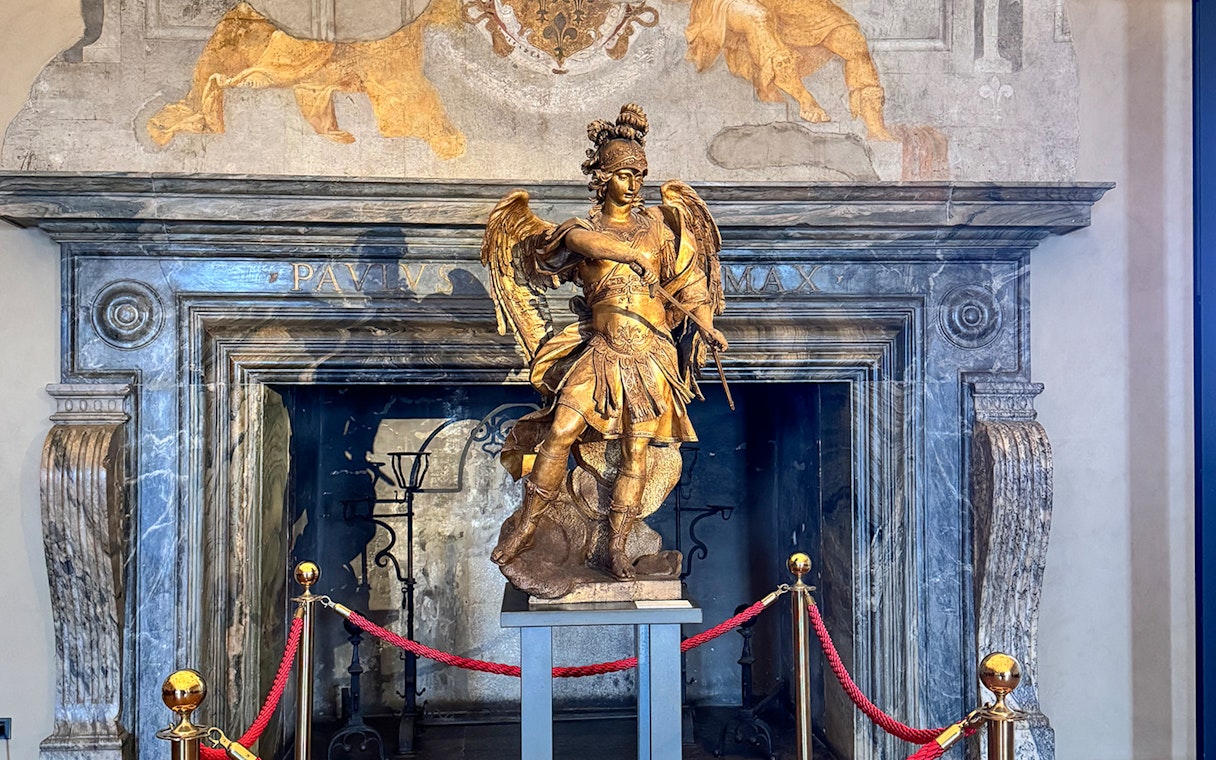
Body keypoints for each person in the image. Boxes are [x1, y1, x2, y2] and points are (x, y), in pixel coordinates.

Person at [483, 104, 727, 581]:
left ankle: (614, 549)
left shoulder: (660, 227)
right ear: (601, 178)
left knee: (637, 452)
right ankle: (526, 528)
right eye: (622, 175)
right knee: (561, 430)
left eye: (639, 174)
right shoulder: (582, 230)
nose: (633, 185)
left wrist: (706, 324)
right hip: (601, 351)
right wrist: (629, 253)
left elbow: (691, 286)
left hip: (652, 352)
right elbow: (585, 247)